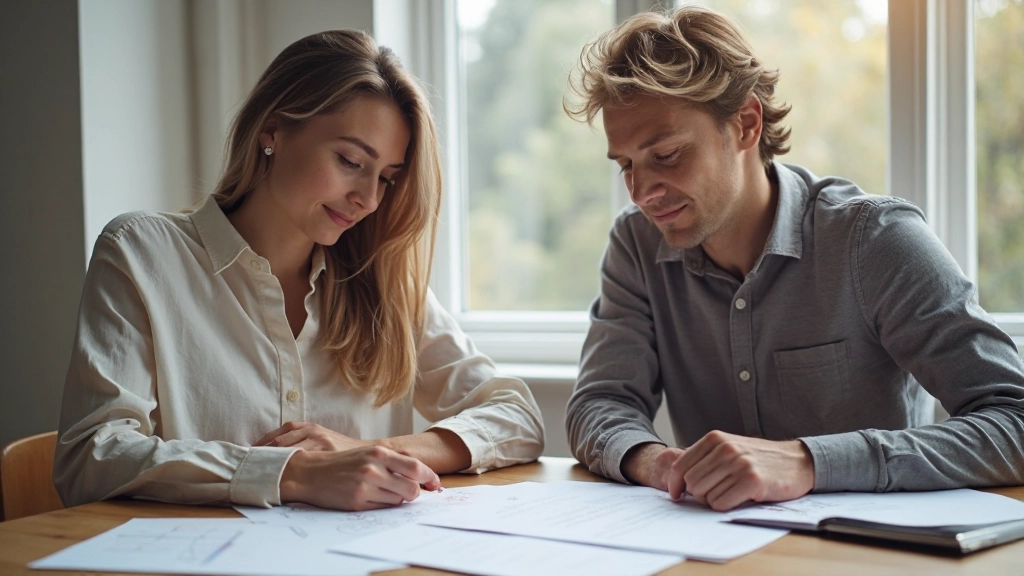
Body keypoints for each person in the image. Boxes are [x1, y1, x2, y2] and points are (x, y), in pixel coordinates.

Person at [54, 30, 544, 512]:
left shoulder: (382, 283)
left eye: (387, 179)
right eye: (351, 161)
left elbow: (518, 419)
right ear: (273, 130)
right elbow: (90, 456)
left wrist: (374, 455)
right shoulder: (142, 254)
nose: (369, 200)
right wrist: (295, 473)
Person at [565, 6, 1024, 512]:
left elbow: (1014, 420)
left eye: (667, 155)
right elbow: (600, 403)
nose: (642, 192)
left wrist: (808, 462)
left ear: (745, 123)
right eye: (626, 165)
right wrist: (657, 462)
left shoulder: (874, 240)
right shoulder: (637, 244)